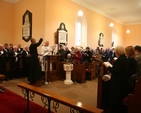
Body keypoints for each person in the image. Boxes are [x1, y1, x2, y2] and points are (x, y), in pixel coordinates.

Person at [103, 46, 128, 113]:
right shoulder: (125, 59)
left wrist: (108, 67)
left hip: (118, 81)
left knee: (116, 95)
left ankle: (114, 108)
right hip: (122, 80)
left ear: (117, 52)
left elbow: (116, 71)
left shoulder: (119, 60)